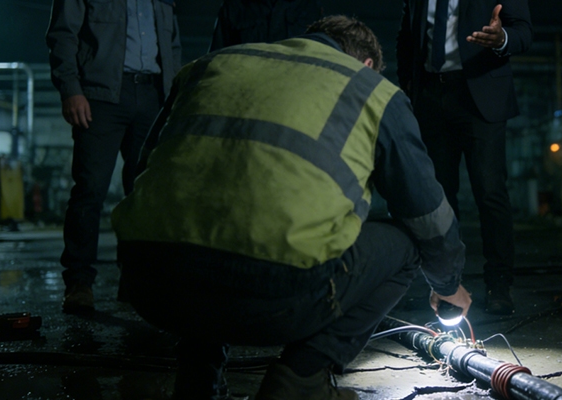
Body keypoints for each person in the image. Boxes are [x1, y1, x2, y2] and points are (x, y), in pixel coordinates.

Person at [111, 15, 472, 400]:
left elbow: (143, 172)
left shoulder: (207, 66)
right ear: (366, 65)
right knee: (406, 245)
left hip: (151, 286)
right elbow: (424, 212)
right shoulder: (370, 89)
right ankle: (301, 377)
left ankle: (198, 380)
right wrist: (448, 284)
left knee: (208, 217)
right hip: (274, 299)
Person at [46, 0, 182, 314]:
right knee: (90, 190)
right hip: (100, 97)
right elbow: (63, 34)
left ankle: (135, 281)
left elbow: (172, 45)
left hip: (152, 97)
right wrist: (70, 89)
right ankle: (79, 282)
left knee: (145, 194)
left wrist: (174, 96)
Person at [396, 0, 531, 315]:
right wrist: (410, 88)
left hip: (480, 95)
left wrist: (502, 39)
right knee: (438, 199)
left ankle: (499, 285)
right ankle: (447, 287)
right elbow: (407, 38)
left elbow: (524, 31)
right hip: (431, 96)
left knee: (490, 191)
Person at [209, 0, 324, 52]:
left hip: (295, 91)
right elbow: (216, 58)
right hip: (246, 92)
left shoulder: (309, 5)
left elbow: (320, 55)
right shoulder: (235, 5)